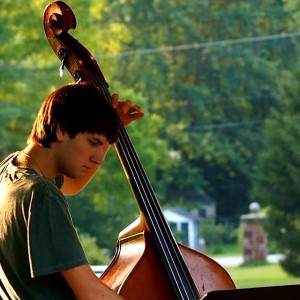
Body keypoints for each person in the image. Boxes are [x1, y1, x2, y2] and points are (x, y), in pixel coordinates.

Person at [0, 82, 144, 299]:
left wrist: (110, 132)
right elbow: (90, 293)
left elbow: (74, 185)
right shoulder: (42, 195)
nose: (98, 159)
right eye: (93, 142)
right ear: (60, 129)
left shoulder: (9, 172)